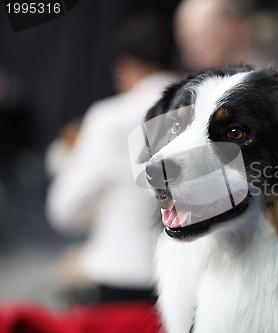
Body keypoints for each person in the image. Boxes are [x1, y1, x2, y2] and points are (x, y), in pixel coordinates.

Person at [46, 12, 178, 303]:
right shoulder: (201, 105)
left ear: (125, 66)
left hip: (125, 280)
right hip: (190, 278)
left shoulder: (108, 118)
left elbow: (64, 210)